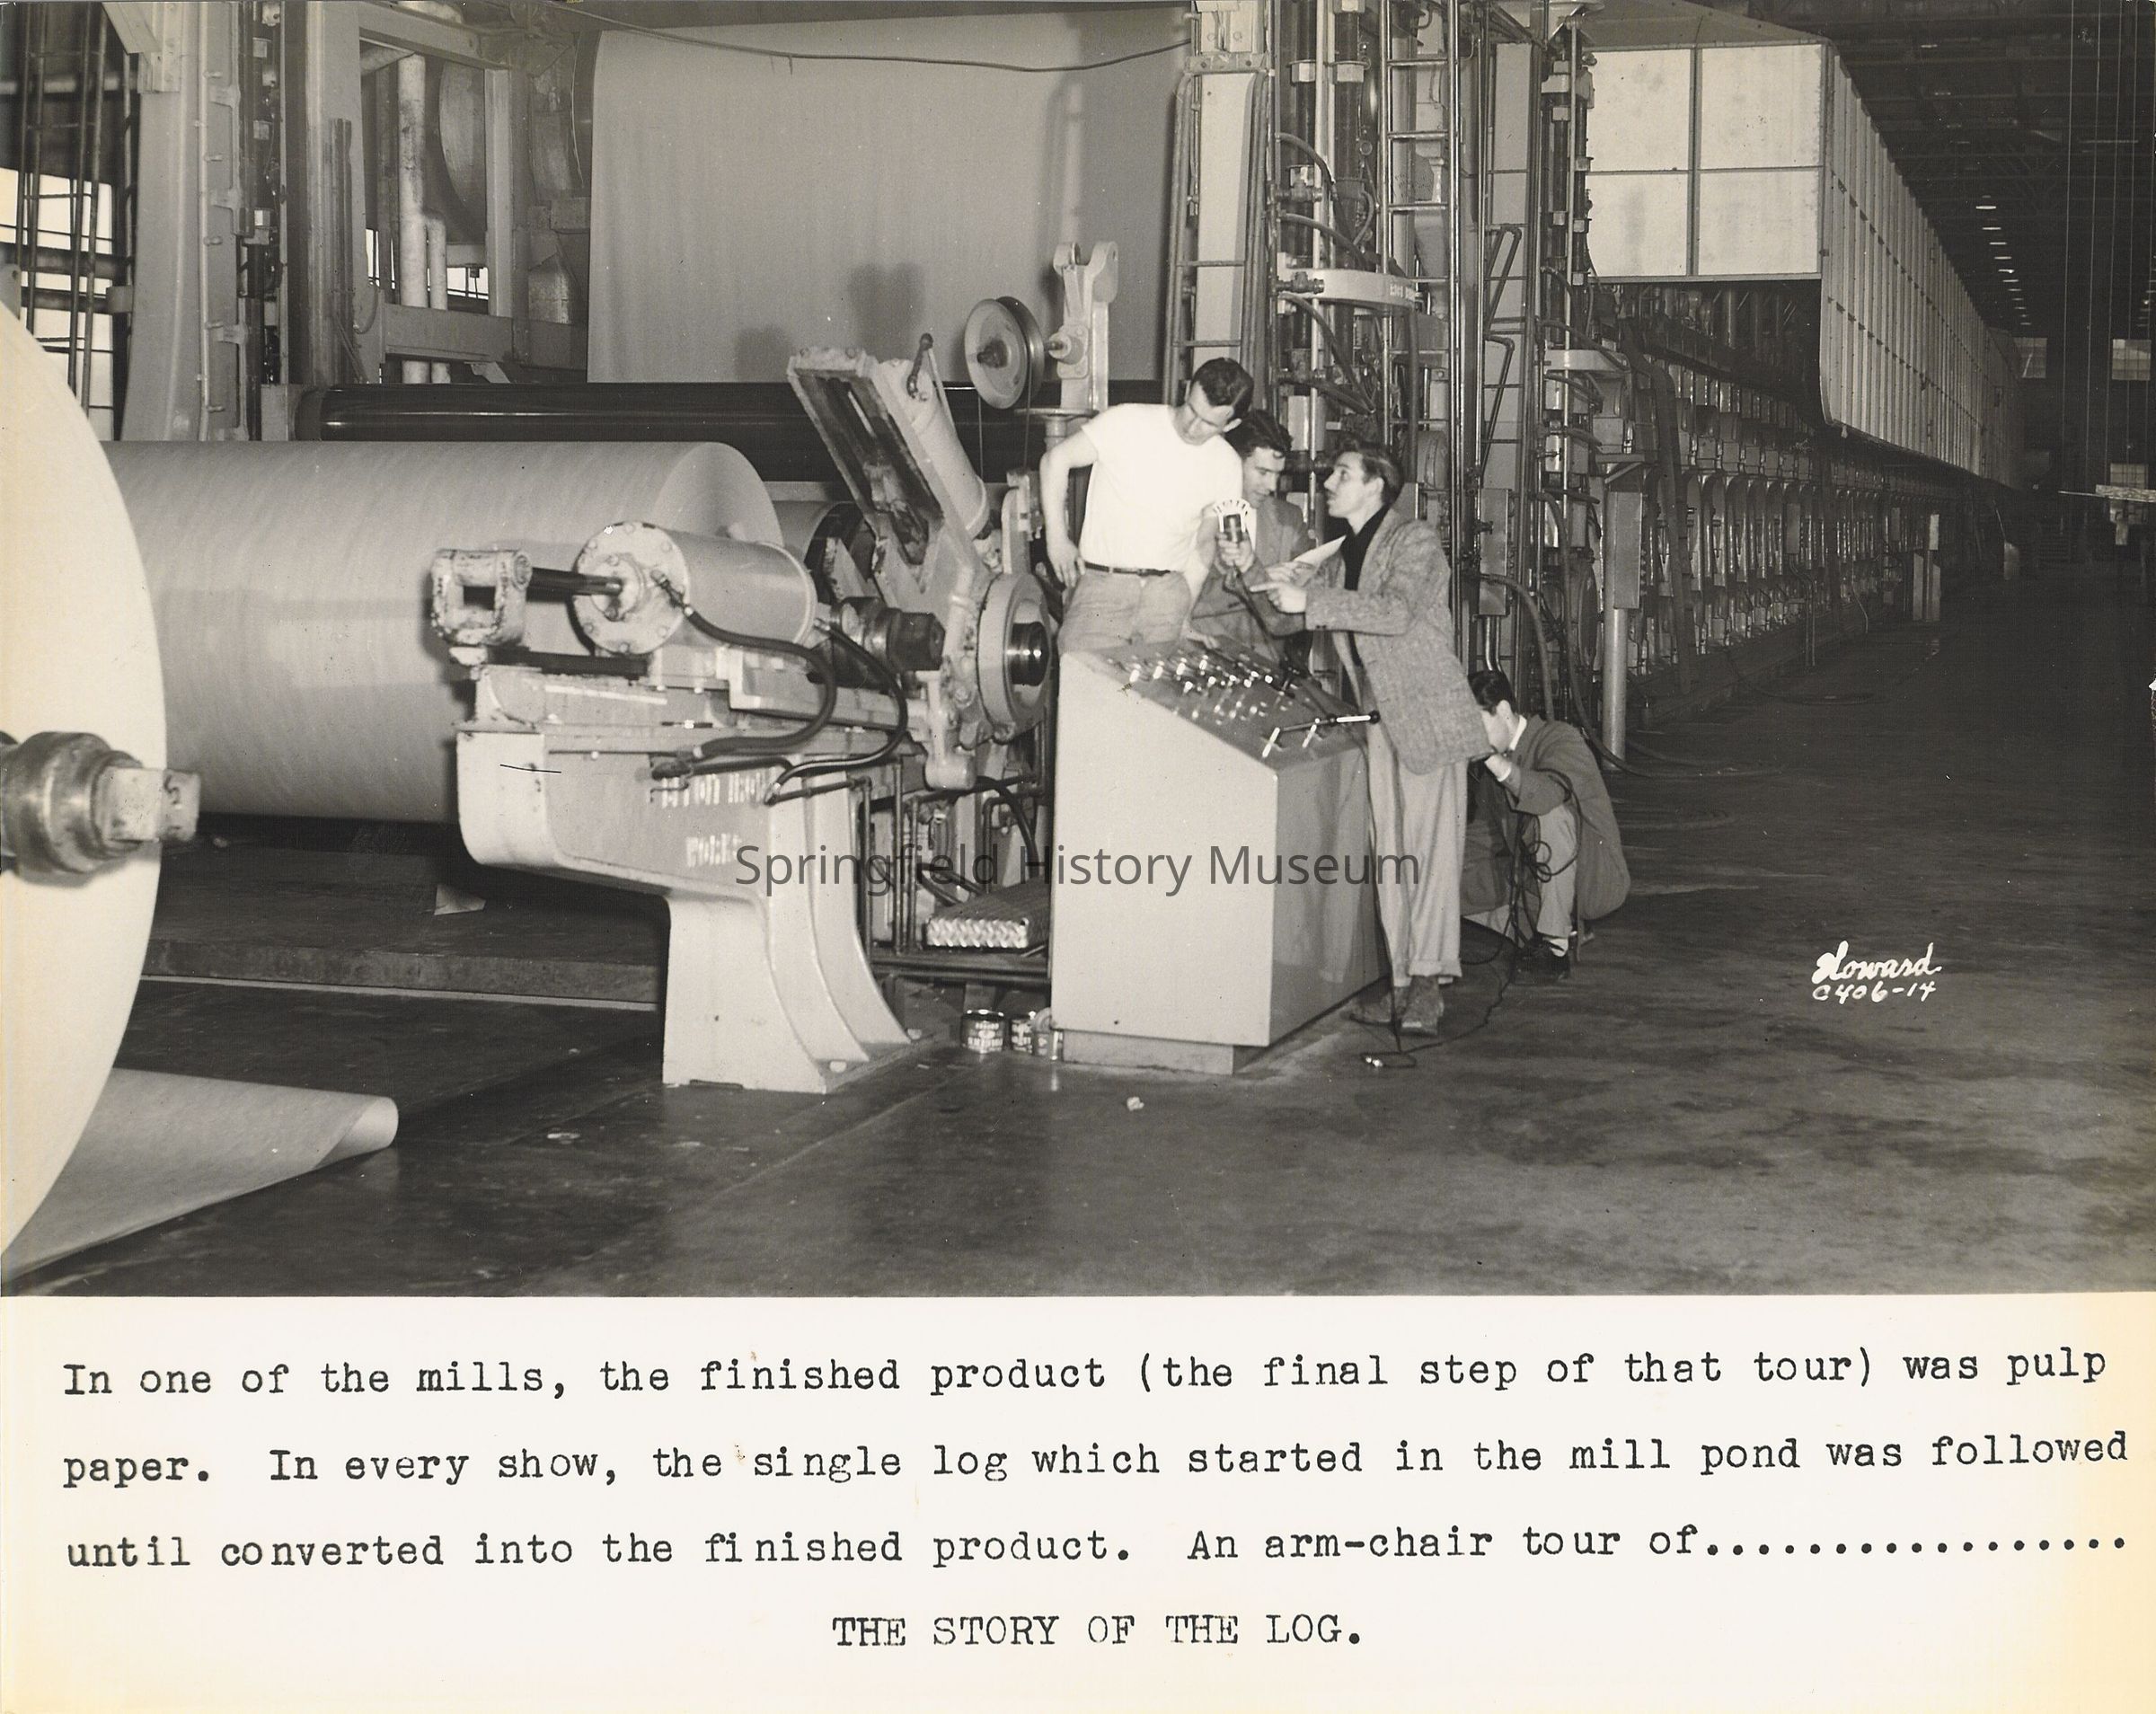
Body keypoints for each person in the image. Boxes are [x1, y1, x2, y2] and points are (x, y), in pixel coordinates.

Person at [1254, 446, 1483, 1035]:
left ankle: (1427, 988)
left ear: (1377, 485)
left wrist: (1311, 599)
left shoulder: (1414, 540)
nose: (1329, 483)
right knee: (1393, 859)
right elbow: (1285, 619)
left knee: (1428, 858)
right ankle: (1404, 986)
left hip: (1427, 716)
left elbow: (1396, 612)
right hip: (1381, 717)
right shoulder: (1342, 558)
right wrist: (1245, 569)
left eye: (1343, 475)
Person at [1039, 358, 1253, 655]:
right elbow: (1055, 460)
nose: (1192, 427)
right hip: (1104, 588)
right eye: (1192, 410)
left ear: (1231, 424)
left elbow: (1204, 545)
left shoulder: (1226, 464)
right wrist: (1057, 539)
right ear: (1187, 389)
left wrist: (1184, 615)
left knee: (1157, 684)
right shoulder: (1127, 421)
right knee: (1084, 678)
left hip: (1167, 596)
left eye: (1209, 424)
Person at [1461, 667, 1630, 981]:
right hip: (1535, 881)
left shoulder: (1560, 738)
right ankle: (1555, 927)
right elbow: (1482, 839)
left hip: (1592, 879)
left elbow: (1546, 796)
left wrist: (1493, 760)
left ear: (1503, 711)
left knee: (1550, 813)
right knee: (1443, 885)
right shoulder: (1491, 779)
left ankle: (1554, 947)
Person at [1185, 410, 1311, 660]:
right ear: (1232, 462)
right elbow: (1179, 601)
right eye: (1263, 472)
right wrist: (1257, 579)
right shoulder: (1193, 515)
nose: (1272, 486)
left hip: (1267, 664)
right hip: (1206, 656)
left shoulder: (1289, 519)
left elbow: (1305, 607)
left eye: (1277, 474)